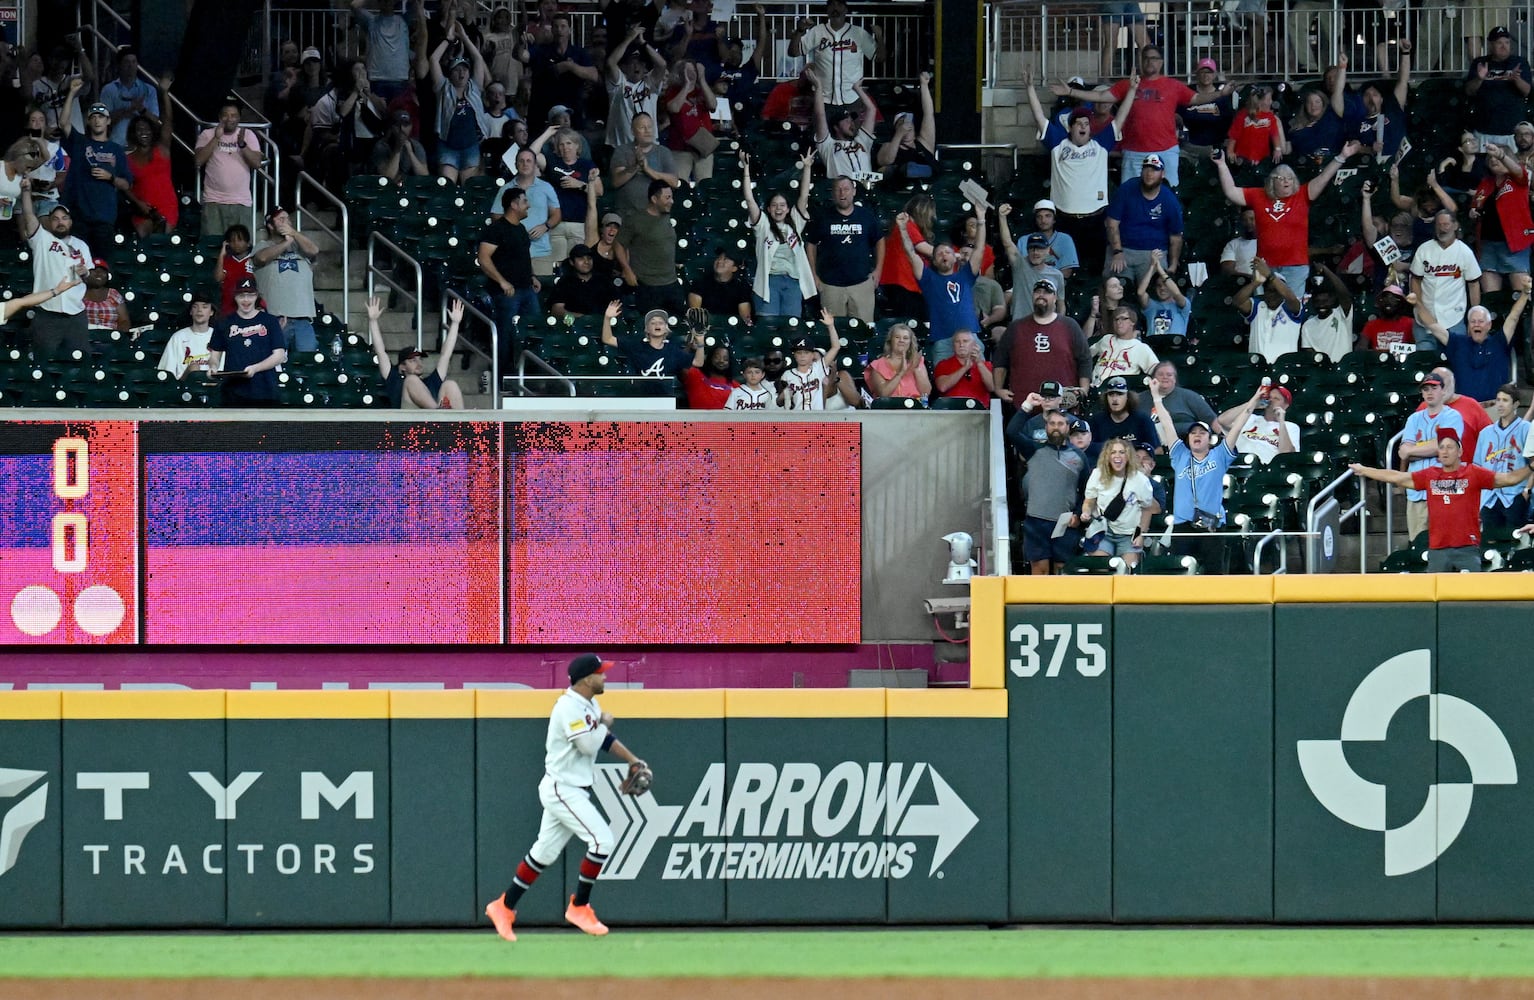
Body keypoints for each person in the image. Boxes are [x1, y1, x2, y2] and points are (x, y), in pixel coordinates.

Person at [484, 653, 649, 942]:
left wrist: (632, 760)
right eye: (600, 673)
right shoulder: (567, 707)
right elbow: (588, 744)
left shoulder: (589, 704)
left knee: (544, 852)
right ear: (586, 679)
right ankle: (579, 906)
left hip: (572, 788)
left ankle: (504, 905)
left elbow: (604, 740)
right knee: (602, 841)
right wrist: (603, 724)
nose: (605, 677)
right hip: (563, 789)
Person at [1352, 428, 1529, 571]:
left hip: (1467, 548)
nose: (1444, 451)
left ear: (1460, 451)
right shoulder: (1430, 475)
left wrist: (1530, 467)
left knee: (1472, 600)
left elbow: (1509, 479)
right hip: (1437, 549)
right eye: (1441, 447)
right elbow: (1397, 477)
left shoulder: (1474, 473)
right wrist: (1366, 470)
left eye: (1450, 447)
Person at [1024, 69, 1137, 276]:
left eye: (1086, 124)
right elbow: (1039, 116)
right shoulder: (1058, 142)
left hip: (1095, 218)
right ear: (1071, 127)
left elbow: (1121, 116)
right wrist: (1030, 88)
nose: (1083, 127)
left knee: (1094, 272)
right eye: (1079, 124)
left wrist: (1131, 90)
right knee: (1065, 271)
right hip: (1065, 219)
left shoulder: (1100, 143)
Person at [1213, 142, 1361, 294]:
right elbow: (1231, 191)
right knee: (1264, 308)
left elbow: (1323, 177)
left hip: (1295, 266)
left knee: (1291, 310)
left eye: (1290, 178)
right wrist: (1221, 165)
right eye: (1281, 178)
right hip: (1265, 265)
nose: (1286, 181)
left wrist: (1342, 157)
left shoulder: (1302, 195)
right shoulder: (1258, 195)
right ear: (1272, 181)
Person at [1150, 378, 1256, 574]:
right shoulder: (1179, 454)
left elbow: (1237, 427)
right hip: (1182, 525)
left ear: (1210, 438)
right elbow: (1166, 422)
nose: (1197, 435)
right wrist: (1156, 396)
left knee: (1213, 574)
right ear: (1188, 438)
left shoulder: (1219, 455)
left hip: (1211, 525)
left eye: (1202, 432)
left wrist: (1255, 399)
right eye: (1193, 433)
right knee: (1179, 574)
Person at [1057, 45, 1192, 185]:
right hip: (1134, 153)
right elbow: (1100, 95)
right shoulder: (1128, 85)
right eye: (1146, 58)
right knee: (1129, 195)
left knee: (1168, 194)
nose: (1150, 61)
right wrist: (1071, 92)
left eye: (1154, 58)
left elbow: (1197, 98)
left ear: (1161, 62)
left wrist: (1217, 95)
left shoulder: (1173, 85)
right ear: (1141, 61)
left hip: (1166, 151)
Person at [1417, 275, 1530, 404]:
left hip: (1495, 407)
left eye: (1481, 321)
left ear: (1489, 325)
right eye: (1473, 322)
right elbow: (1433, 326)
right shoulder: (1457, 342)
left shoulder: (1499, 341)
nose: (1476, 324)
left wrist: (1525, 293)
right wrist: (1416, 303)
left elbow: (1513, 317)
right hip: (1464, 409)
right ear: (1469, 326)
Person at [896, 203, 985, 364]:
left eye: (947, 252)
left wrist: (981, 219)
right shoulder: (928, 279)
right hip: (943, 340)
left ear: (955, 257)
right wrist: (903, 229)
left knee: (979, 383)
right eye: (939, 254)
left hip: (970, 337)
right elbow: (911, 253)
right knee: (943, 386)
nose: (944, 255)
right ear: (934, 262)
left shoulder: (965, 275)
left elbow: (979, 249)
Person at [16, 179, 90, 357]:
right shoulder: (42, 240)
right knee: (44, 361)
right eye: (55, 219)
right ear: (49, 222)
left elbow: (90, 274)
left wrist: (85, 272)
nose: (60, 222)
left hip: (76, 313)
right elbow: (29, 215)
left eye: (64, 218)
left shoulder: (81, 245)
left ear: (70, 222)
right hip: (47, 313)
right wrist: (26, 191)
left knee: (79, 362)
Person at [741, 149, 817, 318]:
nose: (778, 208)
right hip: (769, 282)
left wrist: (807, 168)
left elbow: (804, 195)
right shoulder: (763, 226)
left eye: (782, 205)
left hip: (793, 282)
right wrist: (746, 170)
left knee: (791, 327)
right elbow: (749, 200)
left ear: (788, 208)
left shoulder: (795, 223)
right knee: (769, 328)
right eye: (774, 205)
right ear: (768, 209)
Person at [58, 81, 130, 257]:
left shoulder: (116, 150)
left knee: (102, 268)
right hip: (79, 217)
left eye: (101, 116)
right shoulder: (80, 142)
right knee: (77, 266)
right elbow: (63, 123)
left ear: (108, 120)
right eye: (94, 117)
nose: (97, 120)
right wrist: (72, 93)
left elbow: (127, 184)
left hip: (104, 219)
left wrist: (110, 177)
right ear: (89, 121)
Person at [1016, 408, 1090, 575]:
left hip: (1065, 522)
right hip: (1036, 521)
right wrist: (1026, 407)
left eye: (1060, 423)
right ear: (1046, 427)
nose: (1056, 427)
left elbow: (1088, 492)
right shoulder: (1033, 449)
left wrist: (1078, 514)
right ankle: (1039, 602)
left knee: (1061, 571)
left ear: (1067, 427)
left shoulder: (1079, 456)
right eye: (1052, 423)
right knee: (1039, 569)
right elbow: (1012, 431)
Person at [993, 277, 1090, 404]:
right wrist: (998, 389)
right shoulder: (1016, 327)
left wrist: (1084, 388)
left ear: (1055, 298)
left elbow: (1085, 359)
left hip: (1062, 406)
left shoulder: (1069, 326)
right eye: (1038, 291)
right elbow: (1000, 359)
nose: (1041, 295)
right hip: (1024, 405)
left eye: (1047, 292)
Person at [478, 185, 542, 376]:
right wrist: (502, 282)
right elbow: (483, 258)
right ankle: (503, 375)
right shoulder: (496, 229)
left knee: (534, 329)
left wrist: (532, 276)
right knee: (505, 334)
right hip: (507, 293)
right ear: (513, 205)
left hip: (526, 289)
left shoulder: (521, 229)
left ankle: (530, 374)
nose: (528, 205)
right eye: (524, 201)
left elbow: (523, 257)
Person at [1398, 371, 1468, 543]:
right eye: (1426, 389)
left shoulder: (1452, 416)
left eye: (1434, 388)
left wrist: (1414, 450)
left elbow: (1444, 448)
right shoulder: (1414, 418)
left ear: (1443, 391)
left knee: (1446, 541)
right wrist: (1427, 449)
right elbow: (1403, 452)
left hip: (1443, 487)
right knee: (1417, 543)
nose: (1429, 392)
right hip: (1417, 490)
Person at [805, 174, 885, 322]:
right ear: (833, 193)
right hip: (830, 286)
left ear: (854, 192)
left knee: (864, 331)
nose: (843, 193)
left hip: (861, 284)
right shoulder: (823, 217)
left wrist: (878, 270)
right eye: (838, 190)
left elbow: (880, 240)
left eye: (846, 189)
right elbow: (811, 244)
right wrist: (814, 275)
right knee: (833, 331)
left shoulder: (866, 216)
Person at [368, 296, 466, 409]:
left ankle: (461, 424)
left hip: (433, 424)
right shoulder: (394, 379)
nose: (418, 363)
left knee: (450, 385)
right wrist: (373, 321)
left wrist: (455, 323)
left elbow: (446, 355)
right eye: (412, 360)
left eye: (420, 359)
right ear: (402, 367)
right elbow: (381, 351)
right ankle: (437, 412)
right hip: (407, 422)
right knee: (411, 380)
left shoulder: (431, 381)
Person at [1081, 436, 1160, 569]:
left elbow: (1148, 509)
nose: (1117, 456)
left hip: (1129, 535)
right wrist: (1086, 512)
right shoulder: (1097, 474)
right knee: (1101, 570)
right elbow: (1089, 501)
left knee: (1128, 571)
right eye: (1113, 452)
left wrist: (1141, 534)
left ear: (1128, 456)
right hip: (1104, 531)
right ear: (1107, 456)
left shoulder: (1139, 480)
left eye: (1122, 452)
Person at [1410, 209, 1483, 350]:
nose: (1442, 229)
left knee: (1457, 361)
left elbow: (1474, 285)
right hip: (1424, 318)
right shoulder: (1424, 249)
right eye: (1439, 225)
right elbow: (1416, 280)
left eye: (1446, 224)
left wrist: (1474, 317)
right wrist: (1419, 306)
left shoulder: (1465, 251)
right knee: (1425, 361)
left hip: (1453, 317)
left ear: (1455, 226)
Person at [1104, 153, 1182, 286]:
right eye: (1146, 168)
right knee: (1115, 288)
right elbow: (1111, 223)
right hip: (1123, 249)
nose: (1149, 173)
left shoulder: (1169, 200)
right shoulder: (1126, 189)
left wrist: (1173, 266)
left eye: (1154, 169)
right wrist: (1117, 251)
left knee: (1152, 293)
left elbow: (1176, 237)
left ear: (1162, 174)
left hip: (1154, 253)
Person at [252, 207, 321, 354]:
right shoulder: (263, 245)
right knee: (276, 366)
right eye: (281, 219)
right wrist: (286, 243)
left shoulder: (300, 246)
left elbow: (314, 250)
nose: (287, 222)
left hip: (303, 318)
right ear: (270, 226)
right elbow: (261, 258)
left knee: (306, 366)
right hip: (274, 319)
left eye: (288, 219)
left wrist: (294, 234)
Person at [209, 276, 287, 407]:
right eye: (241, 295)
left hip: (265, 391)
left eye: (250, 295)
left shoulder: (270, 321)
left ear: (256, 296)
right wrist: (213, 367)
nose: (246, 300)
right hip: (232, 391)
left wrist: (256, 368)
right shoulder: (224, 322)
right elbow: (214, 355)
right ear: (235, 297)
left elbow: (279, 356)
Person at [428, 23, 490, 183]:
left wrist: (464, 37)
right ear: (450, 73)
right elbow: (433, 59)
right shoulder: (443, 87)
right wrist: (448, 40)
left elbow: (478, 58)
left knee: (469, 190)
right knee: (446, 188)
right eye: (457, 69)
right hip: (448, 146)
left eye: (465, 69)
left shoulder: (474, 87)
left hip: (470, 146)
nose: (461, 73)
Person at [1468, 143, 1534, 293]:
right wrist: (1472, 212)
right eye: (1490, 157)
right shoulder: (1485, 183)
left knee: (1521, 294)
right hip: (1488, 246)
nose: (1493, 159)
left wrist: (1501, 154)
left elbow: (1519, 170)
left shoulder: (1518, 178)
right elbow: (1475, 205)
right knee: (1491, 298)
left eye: (1497, 156)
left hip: (1515, 245)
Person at [788, 0, 878, 108]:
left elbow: (879, 57)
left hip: (852, 97)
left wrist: (880, 38)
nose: (835, 8)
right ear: (827, 11)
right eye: (831, 5)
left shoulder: (858, 33)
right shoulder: (818, 31)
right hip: (822, 98)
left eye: (839, 4)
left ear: (846, 10)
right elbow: (793, 52)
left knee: (853, 125)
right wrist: (799, 31)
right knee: (821, 125)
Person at [195, 98, 264, 237]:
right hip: (213, 201)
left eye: (234, 115)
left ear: (239, 118)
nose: (229, 119)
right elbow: (198, 160)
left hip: (241, 202)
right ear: (220, 117)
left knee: (240, 250)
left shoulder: (248, 135)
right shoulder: (207, 134)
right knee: (212, 248)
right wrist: (216, 138)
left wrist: (242, 144)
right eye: (226, 115)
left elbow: (257, 163)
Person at [617, 179, 682, 315]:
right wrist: (627, 269)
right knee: (651, 327)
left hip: (671, 282)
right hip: (648, 286)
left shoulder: (668, 215)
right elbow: (618, 244)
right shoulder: (635, 220)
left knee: (678, 325)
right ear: (654, 199)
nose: (672, 201)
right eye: (667, 197)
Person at [537, 127, 601, 266]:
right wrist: (548, 133)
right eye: (561, 144)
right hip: (557, 224)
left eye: (569, 143)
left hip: (579, 224)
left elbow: (599, 191)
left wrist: (580, 185)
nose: (565, 147)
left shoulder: (586, 164)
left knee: (577, 267)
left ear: (577, 145)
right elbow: (531, 155)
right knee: (556, 267)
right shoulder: (553, 162)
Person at [124, 75, 176, 238]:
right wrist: (137, 203)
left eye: (146, 129)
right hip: (142, 208)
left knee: (163, 241)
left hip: (166, 206)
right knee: (144, 242)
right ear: (134, 133)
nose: (143, 133)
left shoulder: (162, 149)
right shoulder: (128, 159)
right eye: (139, 130)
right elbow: (124, 186)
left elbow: (168, 121)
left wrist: (165, 94)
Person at [527, 12, 598, 132]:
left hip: (573, 108)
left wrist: (570, 66)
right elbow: (522, 56)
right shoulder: (542, 51)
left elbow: (594, 75)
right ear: (552, 30)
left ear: (569, 30)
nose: (559, 30)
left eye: (563, 26)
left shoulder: (579, 52)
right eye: (556, 26)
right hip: (545, 109)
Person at [1466, 26, 1532, 151]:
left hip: (1512, 133)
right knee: (1482, 168)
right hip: (1484, 130)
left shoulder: (1519, 62)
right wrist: (1479, 78)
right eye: (1499, 42)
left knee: (1513, 169)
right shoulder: (1480, 63)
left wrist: (1516, 79)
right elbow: (1469, 91)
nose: (1504, 46)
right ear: (1490, 44)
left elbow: (1526, 91)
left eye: (1507, 42)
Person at [996, 206, 1065, 323]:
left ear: (1048, 250)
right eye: (1032, 248)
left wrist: (1059, 324)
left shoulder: (1057, 275)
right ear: (1027, 250)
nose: (1035, 252)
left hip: (1046, 326)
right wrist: (1002, 217)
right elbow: (1007, 243)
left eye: (1039, 249)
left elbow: (1061, 304)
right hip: (1020, 325)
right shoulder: (1020, 264)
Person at [601, 300, 703, 378]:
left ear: (666, 329)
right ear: (647, 329)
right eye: (653, 322)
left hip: (665, 399)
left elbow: (698, 362)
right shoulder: (636, 346)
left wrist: (701, 342)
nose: (657, 324)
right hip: (641, 398)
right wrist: (607, 318)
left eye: (661, 322)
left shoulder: (673, 351)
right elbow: (607, 339)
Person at [1477, 384, 1530, 533]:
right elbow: (1478, 467)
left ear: (1516, 404)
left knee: (1515, 543)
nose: (1500, 404)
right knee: (1490, 546)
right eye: (1498, 400)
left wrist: (1526, 491)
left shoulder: (1526, 429)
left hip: (1515, 496)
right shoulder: (1485, 433)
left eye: (1505, 400)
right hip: (1489, 499)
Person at [604, 25, 668, 148]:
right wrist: (629, 38)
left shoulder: (650, 83)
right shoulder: (618, 84)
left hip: (649, 147)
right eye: (632, 63)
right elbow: (611, 62)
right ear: (623, 67)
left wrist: (643, 43)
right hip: (620, 146)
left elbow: (662, 64)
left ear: (645, 67)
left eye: (640, 63)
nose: (637, 66)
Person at [608, 112, 680, 219]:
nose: (647, 131)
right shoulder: (622, 150)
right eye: (642, 127)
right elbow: (616, 181)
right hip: (627, 215)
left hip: (657, 216)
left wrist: (648, 169)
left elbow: (674, 182)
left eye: (650, 127)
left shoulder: (663, 152)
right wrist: (636, 166)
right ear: (633, 131)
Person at [1233, 257, 1305, 364]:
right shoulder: (1257, 306)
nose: (1272, 295)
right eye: (1268, 291)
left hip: (1285, 369)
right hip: (1258, 369)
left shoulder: (1290, 306)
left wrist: (1270, 275)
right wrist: (1256, 282)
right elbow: (1237, 302)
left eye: (1276, 291)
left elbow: (1290, 297)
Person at [877, 191, 935, 320]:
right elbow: (925, 248)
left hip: (905, 284)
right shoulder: (907, 225)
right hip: (901, 284)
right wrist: (951, 254)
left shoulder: (910, 225)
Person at [875, 73, 939, 184]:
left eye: (909, 123)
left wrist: (924, 85)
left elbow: (928, 114)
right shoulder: (888, 145)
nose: (906, 125)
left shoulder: (924, 143)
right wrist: (899, 135)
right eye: (901, 123)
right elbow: (886, 160)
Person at [810, 75, 877, 179]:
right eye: (847, 120)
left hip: (866, 189)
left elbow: (871, 110)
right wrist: (818, 87)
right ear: (836, 127)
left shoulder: (863, 140)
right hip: (842, 190)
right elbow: (820, 115)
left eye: (851, 120)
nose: (852, 123)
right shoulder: (827, 145)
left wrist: (857, 88)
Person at [662, 59, 718, 183]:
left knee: (705, 183)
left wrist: (702, 80)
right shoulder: (673, 92)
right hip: (680, 147)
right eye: (687, 71)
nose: (691, 74)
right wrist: (686, 86)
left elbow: (713, 105)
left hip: (702, 147)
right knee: (679, 184)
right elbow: (674, 108)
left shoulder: (702, 91)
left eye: (693, 71)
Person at [350, 0, 413, 100]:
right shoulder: (371, 21)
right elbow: (354, 5)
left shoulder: (404, 20)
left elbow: (417, 4)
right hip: (376, 79)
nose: (387, 2)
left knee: (398, 114)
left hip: (400, 79)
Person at [1221, 384, 1299, 464]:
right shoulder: (1249, 418)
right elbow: (1222, 421)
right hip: (1238, 462)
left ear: (1285, 405)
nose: (1271, 400)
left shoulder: (1291, 427)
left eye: (1276, 399)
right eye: (1269, 397)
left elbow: (1286, 454)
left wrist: (1281, 422)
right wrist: (1252, 403)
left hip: (1266, 469)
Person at [780, 310, 843, 410]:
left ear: (812, 355)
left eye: (806, 353)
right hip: (795, 420)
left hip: (816, 419)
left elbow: (836, 347)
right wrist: (785, 394)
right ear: (794, 355)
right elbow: (780, 402)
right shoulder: (787, 375)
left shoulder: (818, 368)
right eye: (799, 353)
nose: (802, 356)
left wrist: (830, 326)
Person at [99, 47, 157, 148]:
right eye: (127, 62)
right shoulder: (108, 90)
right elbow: (102, 122)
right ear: (119, 65)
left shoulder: (149, 90)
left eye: (134, 62)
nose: (131, 66)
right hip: (116, 146)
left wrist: (141, 109)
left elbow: (155, 121)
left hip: (141, 149)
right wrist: (128, 110)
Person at [1297, 265, 1355, 362]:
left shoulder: (1342, 314)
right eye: (1318, 301)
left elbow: (1344, 294)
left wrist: (1326, 270)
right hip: (1321, 371)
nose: (1321, 305)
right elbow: (1309, 353)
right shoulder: (1308, 325)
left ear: (1332, 300)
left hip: (1344, 369)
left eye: (1325, 301)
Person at [1089, 376, 1159, 456]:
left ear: (1128, 397)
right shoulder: (1097, 420)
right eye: (1111, 394)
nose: (1115, 399)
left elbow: (1157, 450)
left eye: (1119, 394)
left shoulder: (1143, 420)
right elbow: (1089, 449)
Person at [1148, 360, 1220, 436]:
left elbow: (1212, 420)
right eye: (1160, 374)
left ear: (1175, 379)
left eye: (1169, 375)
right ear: (1153, 378)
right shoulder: (1141, 399)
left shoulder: (1190, 396)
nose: (1165, 377)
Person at [1090, 305, 1159, 383]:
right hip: (1093, 387)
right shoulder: (1106, 339)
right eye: (1116, 319)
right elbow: (1086, 355)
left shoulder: (1141, 348)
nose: (1119, 322)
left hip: (1119, 391)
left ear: (1132, 322)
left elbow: (1158, 371)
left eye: (1123, 319)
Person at [158, 290, 216, 380]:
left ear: (211, 312)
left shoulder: (218, 336)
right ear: (191, 311)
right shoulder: (178, 337)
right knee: (194, 368)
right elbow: (167, 373)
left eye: (204, 307)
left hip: (212, 388)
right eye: (195, 307)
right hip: (184, 389)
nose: (199, 310)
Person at [686, 246, 752, 324]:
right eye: (718, 258)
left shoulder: (741, 287)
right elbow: (695, 314)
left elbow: (745, 318)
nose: (720, 261)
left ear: (734, 268)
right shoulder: (700, 283)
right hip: (705, 328)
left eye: (725, 259)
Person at [864, 322, 930, 401]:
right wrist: (900, 373)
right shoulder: (878, 364)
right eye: (897, 337)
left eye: (905, 338)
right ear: (890, 341)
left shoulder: (917, 362)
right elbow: (883, 394)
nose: (901, 340)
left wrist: (916, 368)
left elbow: (926, 393)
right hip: (889, 408)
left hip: (913, 408)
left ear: (910, 343)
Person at [1224, 85, 1285, 168]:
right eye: (1268, 100)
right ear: (1259, 102)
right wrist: (1230, 151)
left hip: (1263, 158)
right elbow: (1234, 135)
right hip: (1243, 158)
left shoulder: (1270, 117)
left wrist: (1277, 149)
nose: (1271, 102)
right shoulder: (1242, 115)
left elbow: (1274, 134)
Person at [1135, 250, 1190, 337]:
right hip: (1154, 347)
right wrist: (1152, 266)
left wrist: (1160, 269)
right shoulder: (1151, 305)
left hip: (1174, 346)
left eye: (1165, 285)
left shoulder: (1182, 305)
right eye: (1159, 286)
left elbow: (1176, 293)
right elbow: (1140, 292)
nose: (1162, 288)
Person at [932, 329, 994, 405]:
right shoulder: (943, 364)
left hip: (979, 411)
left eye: (965, 341)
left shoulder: (986, 365)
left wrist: (979, 364)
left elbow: (992, 387)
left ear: (974, 345)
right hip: (951, 410)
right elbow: (942, 387)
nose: (961, 345)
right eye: (957, 342)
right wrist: (965, 368)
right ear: (953, 345)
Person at [1022, 199, 1078, 280]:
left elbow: (1066, 273)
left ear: (1054, 219)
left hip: (1055, 287)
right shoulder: (1024, 240)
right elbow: (1022, 270)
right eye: (1039, 217)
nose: (1043, 220)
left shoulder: (1065, 240)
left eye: (1047, 216)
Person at [550, 244, 612, 319]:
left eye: (589, 258)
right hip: (573, 325)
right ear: (572, 262)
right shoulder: (565, 282)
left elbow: (616, 305)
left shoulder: (603, 281)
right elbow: (557, 310)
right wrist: (582, 318)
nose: (586, 262)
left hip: (602, 324)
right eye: (581, 259)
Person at [372, 109, 430, 179]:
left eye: (406, 125)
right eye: (397, 125)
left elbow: (424, 176)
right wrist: (397, 150)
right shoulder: (382, 146)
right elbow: (387, 177)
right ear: (391, 127)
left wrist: (410, 152)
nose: (402, 129)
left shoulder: (416, 145)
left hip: (410, 186)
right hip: (388, 187)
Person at [680, 342, 738, 409]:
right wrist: (689, 348)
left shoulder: (735, 386)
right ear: (710, 358)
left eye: (725, 359)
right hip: (699, 419)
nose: (721, 361)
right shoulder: (696, 376)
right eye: (717, 357)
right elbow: (680, 364)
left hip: (728, 419)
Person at [81, 257, 129, 335]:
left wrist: (118, 336)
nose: (98, 273)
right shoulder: (79, 294)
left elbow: (124, 321)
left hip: (110, 339)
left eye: (102, 271)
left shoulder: (114, 294)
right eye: (94, 270)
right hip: (85, 337)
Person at [1363, 283, 1415, 353]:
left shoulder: (1410, 323)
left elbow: (1416, 349)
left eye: (1393, 298)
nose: (1388, 301)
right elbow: (1361, 348)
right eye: (1385, 298)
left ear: (1401, 303)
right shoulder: (1371, 325)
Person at [1220, 207, 1258, 278]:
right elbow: (1227, 271)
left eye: (1252, 219)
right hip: (1242, 285)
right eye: (1245, 220)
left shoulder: (1268, 242)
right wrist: (1252, 278)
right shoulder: (1232, 244)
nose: (1248, 222)